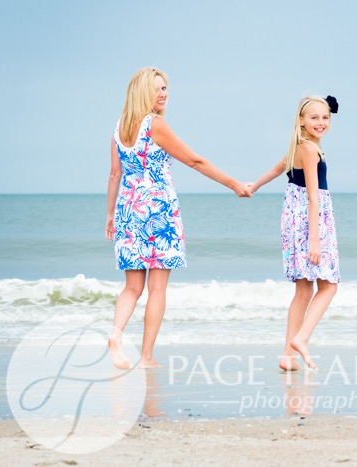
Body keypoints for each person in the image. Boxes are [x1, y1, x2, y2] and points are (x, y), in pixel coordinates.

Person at [105, 67, 251, 369]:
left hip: (129, 210)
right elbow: (195, 160)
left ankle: (116, 335)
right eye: (157, 89)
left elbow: (114, 175)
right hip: (158, 211)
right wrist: (233, 183)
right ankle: (146, 357)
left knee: (132, 287)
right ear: (143, 92)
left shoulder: (119, 128)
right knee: (157, 288)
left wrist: (109, 216)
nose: (163, 94)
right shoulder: (155, 124)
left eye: (165, 88)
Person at [250, 95, 340, 371]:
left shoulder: (299, 147)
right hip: (310, 222)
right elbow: (314, 197)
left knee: (303, 290)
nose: (321, 122)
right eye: (314, 117)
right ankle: (301, 339)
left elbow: (277, 170)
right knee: (329, 285)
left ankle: (288, 357)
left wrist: (252, 187)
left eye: (325, 117)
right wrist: (315, 239)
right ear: (301, 120)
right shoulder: (310, 151)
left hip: (295, 219)